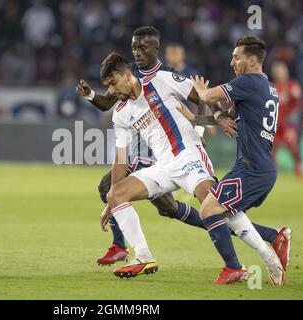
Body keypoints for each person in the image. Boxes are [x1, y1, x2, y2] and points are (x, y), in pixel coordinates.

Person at [77, 27, 287, 272]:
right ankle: (143, 257)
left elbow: (202, 96)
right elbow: (120, 157)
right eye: (134, 48)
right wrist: (110, 203)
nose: (111, 91)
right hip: (163, 165)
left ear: (126, 75)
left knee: (215, 207)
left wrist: (211, 121)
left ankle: (262, 253)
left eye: (113, 84)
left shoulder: (162, 78)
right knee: (116, 194)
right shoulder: (121, 112)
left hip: (188, 156)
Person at [76, 26, 215, 266]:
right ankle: (124, 247)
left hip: (166, 150)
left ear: (157, 50)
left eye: (142, 48)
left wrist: (201, 128)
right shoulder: (130, 75)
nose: (137, 53)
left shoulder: (167, 75)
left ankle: (250, 236)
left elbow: (203, 99)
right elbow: (107, 102)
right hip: (148, 149)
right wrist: (90, 96)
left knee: (182, 206)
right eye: (134, 48)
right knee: (122, 193)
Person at [189, 37, 292, 285]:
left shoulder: (249, 81)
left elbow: (208, 94)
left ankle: (237, 267)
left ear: (252, 60)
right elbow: (228, 119)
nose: (232, 62)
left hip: (252, 168)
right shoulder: (267, 88)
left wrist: (200, 89)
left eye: (237, 57)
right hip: (257, 167)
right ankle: (275, 242)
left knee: (208, 209)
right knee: (227, 213)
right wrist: (209, 117)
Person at [271, 61, 303, 176]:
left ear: (286, 72)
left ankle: (299, 168)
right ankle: (273, 172)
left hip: (288, 124)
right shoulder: (272, 87)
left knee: (292, 146)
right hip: (274, 124)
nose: (279, 73)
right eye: (277, 72)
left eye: (281, 71)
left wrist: (292, 119)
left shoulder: (292, 85)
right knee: (272, 148)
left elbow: (298, 104)